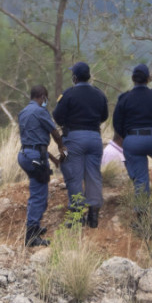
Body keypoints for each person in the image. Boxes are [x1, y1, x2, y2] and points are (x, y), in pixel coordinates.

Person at [52, 62, 108, 228]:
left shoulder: (68, 94)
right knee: (93, 175)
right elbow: (104, 116)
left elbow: (57, 116)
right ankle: (93, 214)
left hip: (74, 138)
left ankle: (77, 216)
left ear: (74, 77)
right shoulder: (99, 94)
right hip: (95, 137)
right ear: (89, 76)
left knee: (74, 176)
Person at [112, 63, 152, 195]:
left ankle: (141, 211)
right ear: (148, 79)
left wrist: (127, 137)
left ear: (133, 79)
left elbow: (116, 122)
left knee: (141, 179)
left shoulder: (124, 98)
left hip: (133, 141)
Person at [18, 85, 67, 246]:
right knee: (38, 196)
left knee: (39, 191)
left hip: (26, 155)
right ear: (42, 96)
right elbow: (54, 132)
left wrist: (52, 159)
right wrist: (61, 146)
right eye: (46, 98)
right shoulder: (40, 111)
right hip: (36, 157)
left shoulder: (23, 112)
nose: (46, 101)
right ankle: (31, 237)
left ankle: (36, 228)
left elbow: (35, 142)